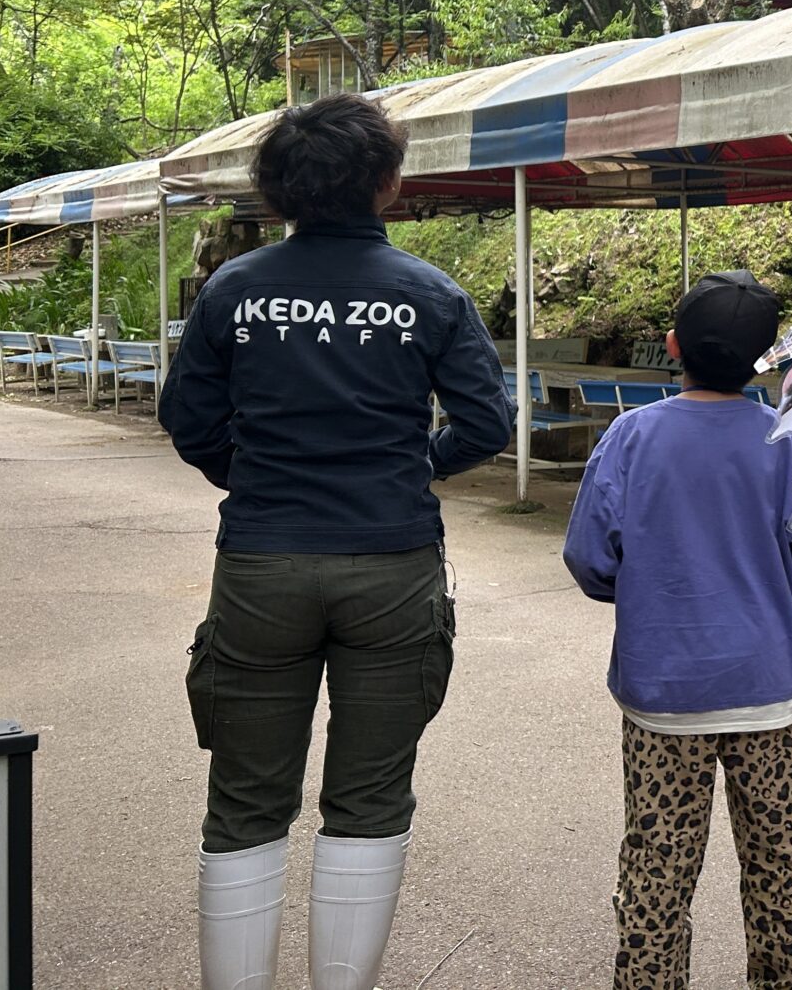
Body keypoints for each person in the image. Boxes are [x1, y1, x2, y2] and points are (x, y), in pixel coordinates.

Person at [159, 93, 514, 990]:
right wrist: (416, 466)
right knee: (370, 797)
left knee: (245, 801)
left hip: (261, 564)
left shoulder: (232, 290)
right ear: (387, 184)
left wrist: (252, 477)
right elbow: (486, 422)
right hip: (392, 564)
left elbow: (188, 418)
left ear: (276, 189)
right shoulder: (429, 293)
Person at [563, 270, 792, 990]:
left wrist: (648, 591)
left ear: (672, 345)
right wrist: (761, 585)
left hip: (663, 693)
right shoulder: (790, 441)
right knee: (783, 859)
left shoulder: (631, 435)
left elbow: (590, 558)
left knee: (657, 862)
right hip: (768, 690)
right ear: (764, 363)